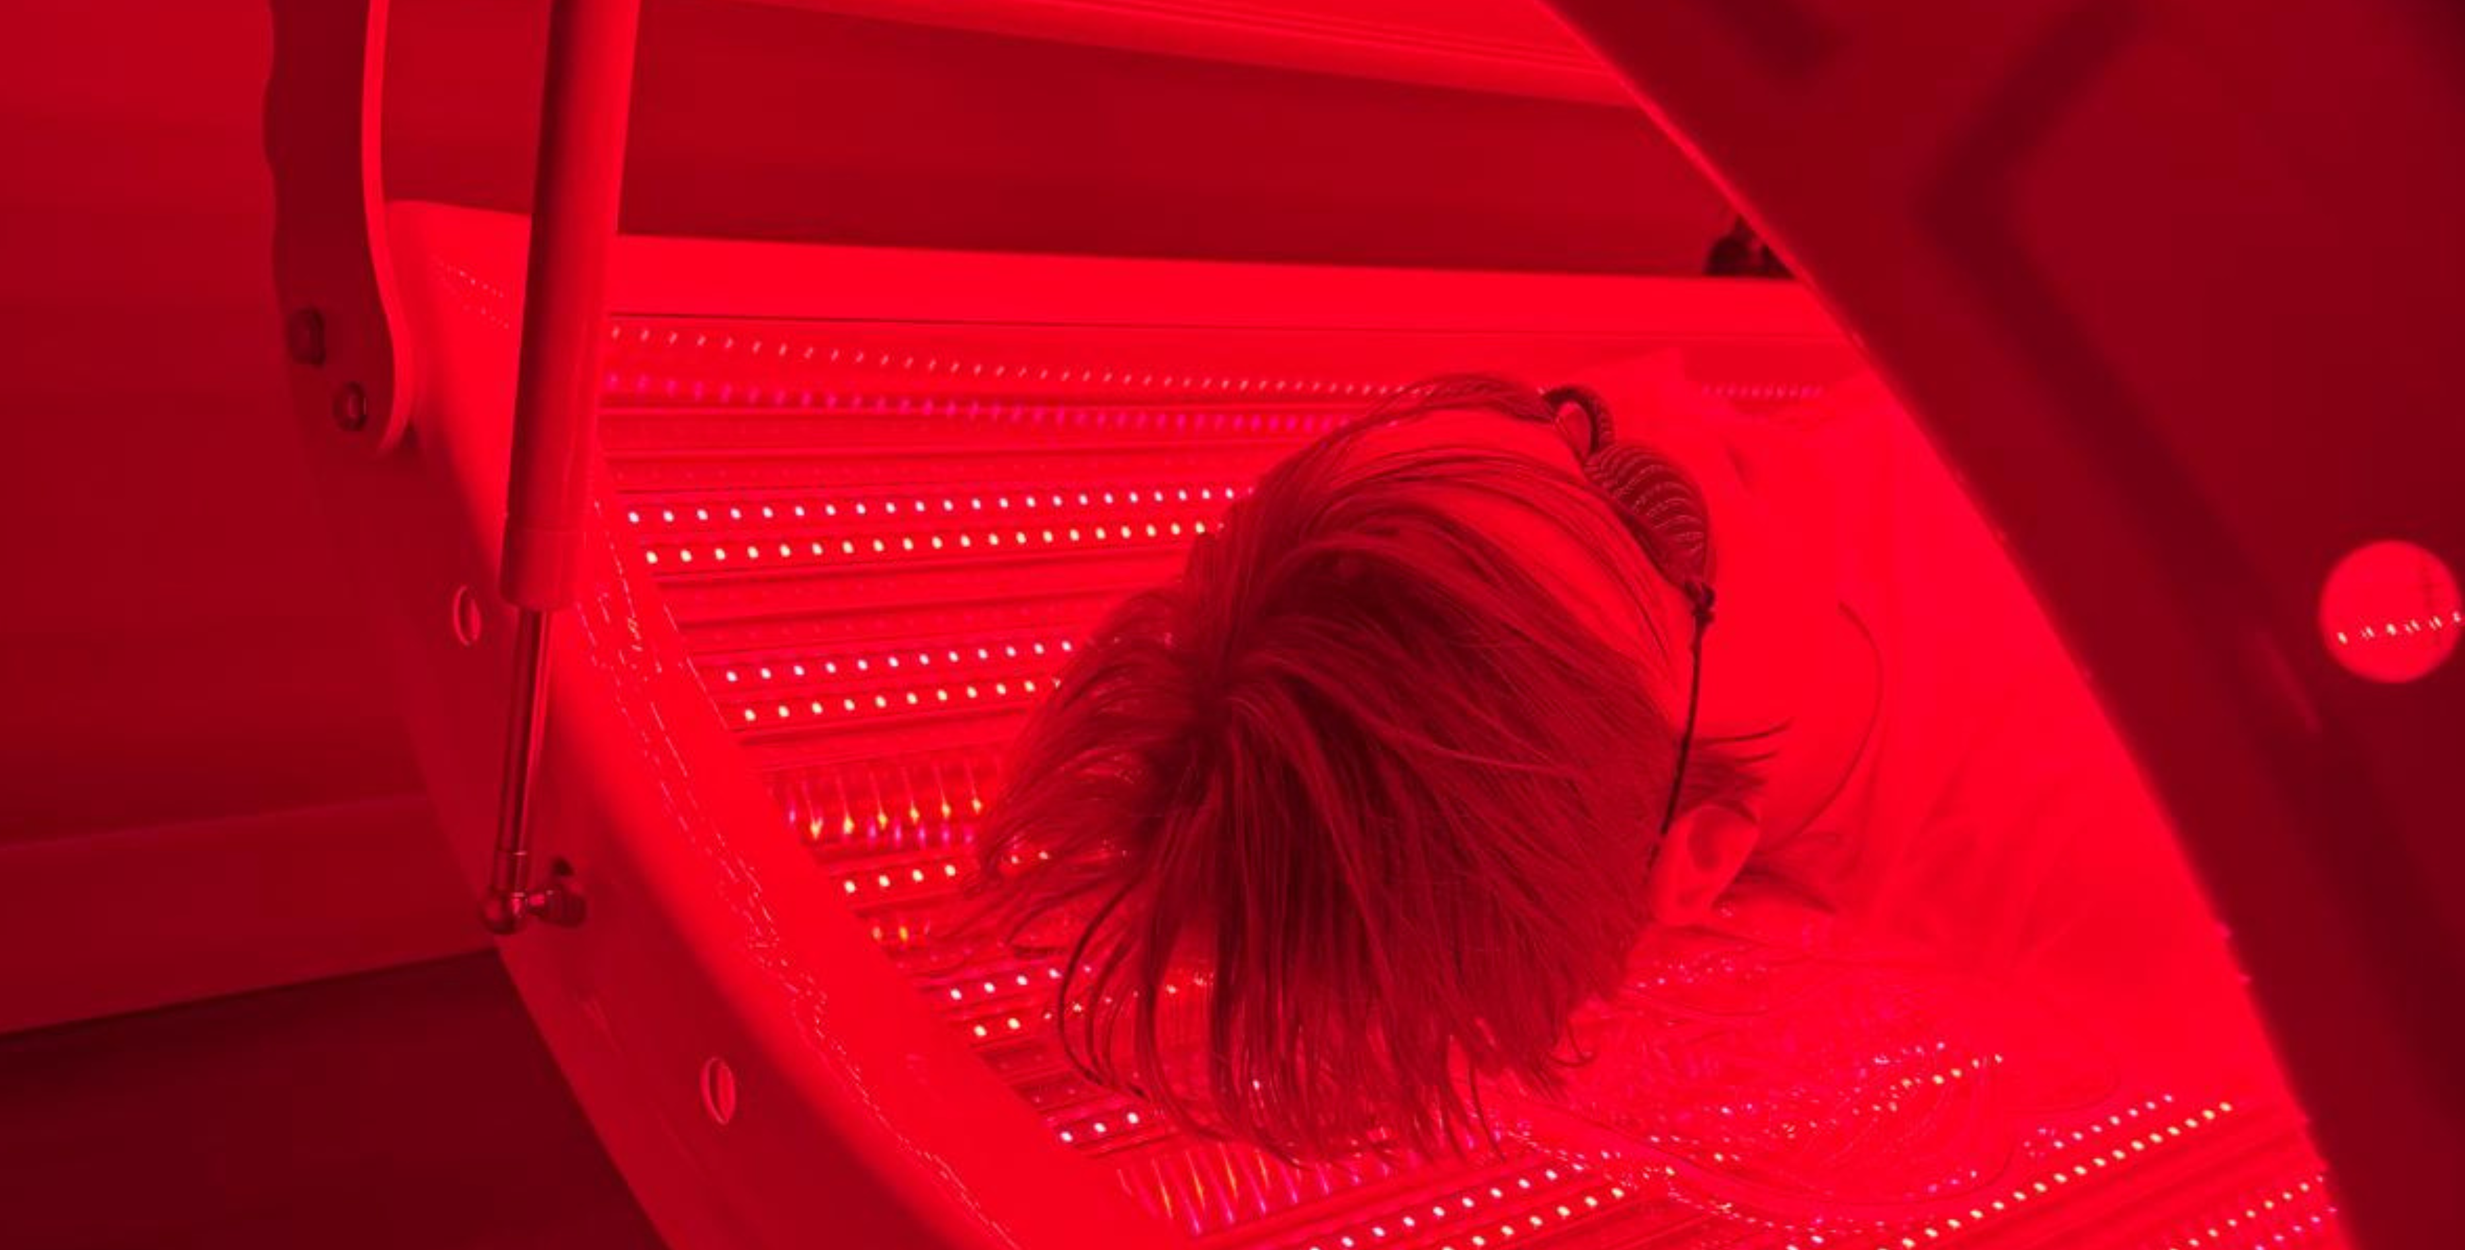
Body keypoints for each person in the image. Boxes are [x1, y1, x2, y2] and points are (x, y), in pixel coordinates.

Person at [966, 358, 2282, 1167]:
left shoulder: (1802, 505)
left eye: (1566, 423)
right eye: (1662, 533)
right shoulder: (2172, 912)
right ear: (1696, 856)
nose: (1665, 389)